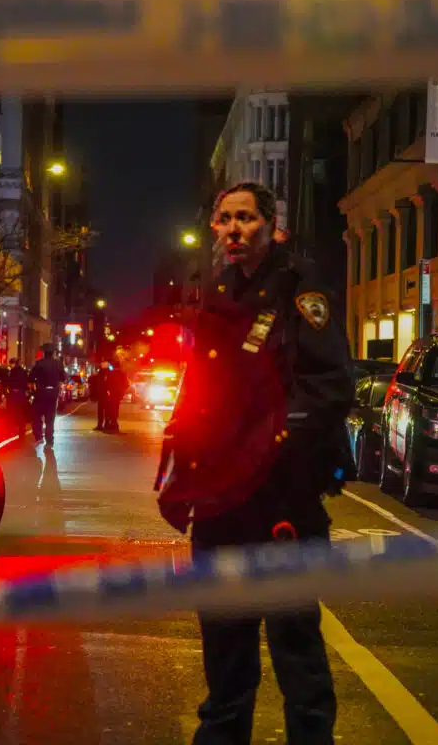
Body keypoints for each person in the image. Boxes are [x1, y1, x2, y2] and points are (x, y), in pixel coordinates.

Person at [157, 181, 354, 745]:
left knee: (296, 651)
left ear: (272, 226)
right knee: (225, 650)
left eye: (246, 219)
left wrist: (267, 444)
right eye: (225, 220)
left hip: (281, 501)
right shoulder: (217, 291)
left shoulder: (300, 290)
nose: (234, 230)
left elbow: (332, 387)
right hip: (221, 505)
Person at [29, 345, 66, 447]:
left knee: (36, 416)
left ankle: (39, 436)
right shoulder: (58, 364)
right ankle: (49, 440)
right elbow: (63, 378)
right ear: (53, 353)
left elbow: (31, 377)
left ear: (44, 353)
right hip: (53, 393)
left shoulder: (39, 363)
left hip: (41, 393)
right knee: (50, 418)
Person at [5, 358, 31, 439]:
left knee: (12, 412)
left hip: (13, 394)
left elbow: (8, 382)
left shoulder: (11, 372)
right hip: (21, 394)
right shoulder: (23, 372)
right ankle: (21, 428)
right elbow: (26, 383)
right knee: (20, 412)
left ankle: (12, 429)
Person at [104, 361, 129, 432]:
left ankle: (112, 423)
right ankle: (114, 423)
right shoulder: (122, 374)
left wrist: (108, 390)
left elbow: (107, 383)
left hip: (111, 394)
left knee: (110, 408)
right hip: (118, 394)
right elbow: (126, 384)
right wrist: (122, 391)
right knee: (116, 408)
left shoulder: (110, 373)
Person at [89, 363, 108, 431]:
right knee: (105, 411)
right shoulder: (106, 374)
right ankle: (105, 424)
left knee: (101, 411)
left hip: (102, 395)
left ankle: (101, 424)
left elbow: (92, 382)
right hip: (105, 395)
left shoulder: (100, 375)